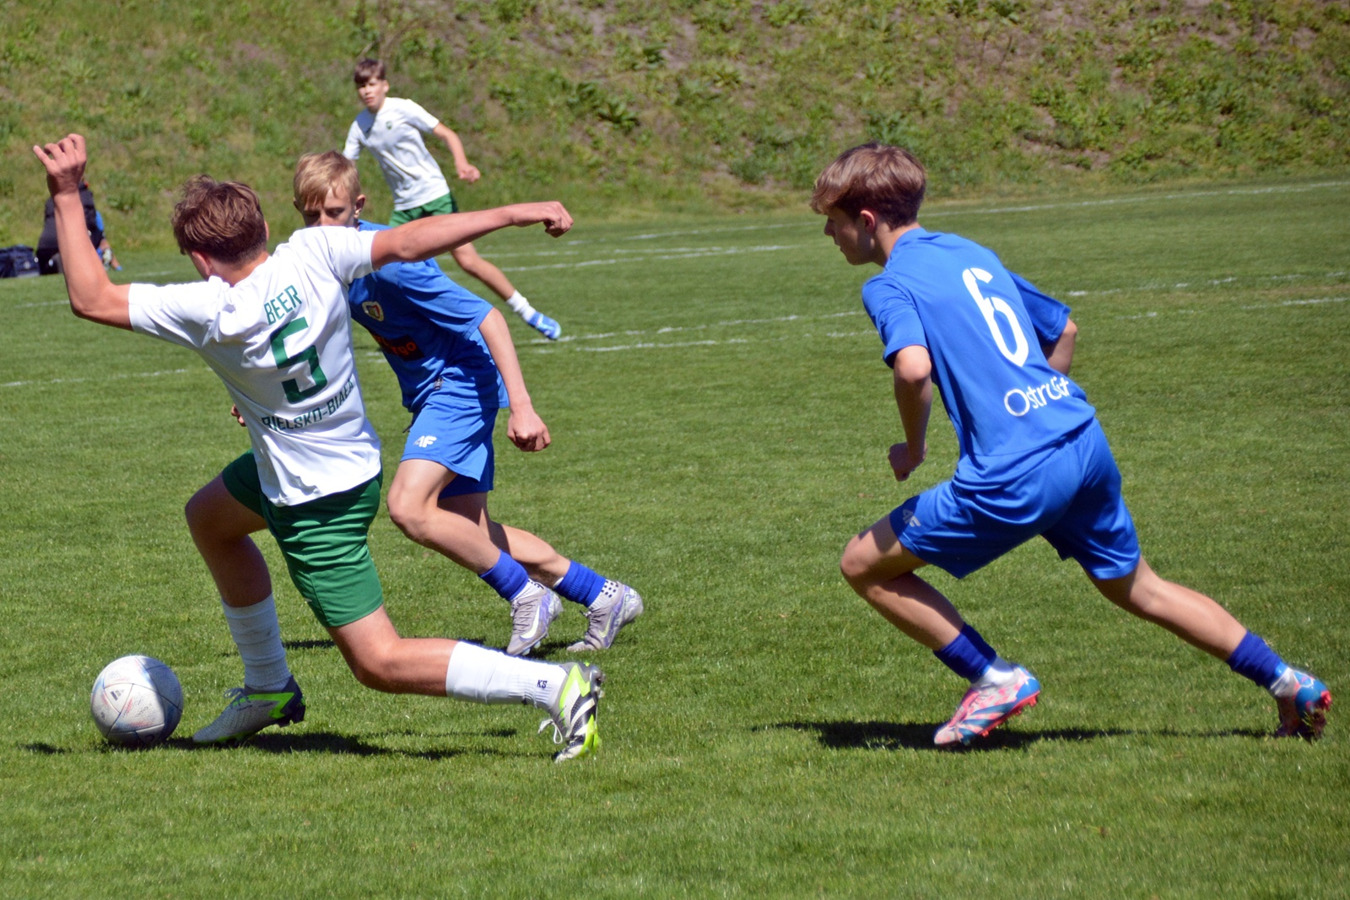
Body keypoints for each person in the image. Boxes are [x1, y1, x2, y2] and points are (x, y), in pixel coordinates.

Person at [32, 133, 603, 761]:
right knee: (211, 519)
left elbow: (90, 297)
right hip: (336, 465)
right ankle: (268, 687)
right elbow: (411, 240)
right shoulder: (314, 250)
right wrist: (514, 211)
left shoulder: (209, 309)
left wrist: (67, 191)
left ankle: (555, 686)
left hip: (314, 501)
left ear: (199, 258)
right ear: (264, 227)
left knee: (379, 662)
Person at [812, 142, 1331, 746]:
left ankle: (994, 679)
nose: (828, 233)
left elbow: (912, 369)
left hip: (1014, 472)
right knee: (1139, 587)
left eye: (833, 220)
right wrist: (1037, 407)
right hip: (1081, 441)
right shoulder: (971, 253)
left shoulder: (889, 285)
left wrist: (913, 448)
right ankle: (1288, 681)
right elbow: (1064, 330)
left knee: (863, 565)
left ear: (867, 220)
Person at [291, 151, 643, 655]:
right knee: (470, 528)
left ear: (359, 207)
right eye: (312, 215)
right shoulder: (320, 261)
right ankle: (604, 596)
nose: (324, 225)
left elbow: (487, 317)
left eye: (335, 212)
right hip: (431, 393)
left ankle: (526, 595)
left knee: (408, 507)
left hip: (460, 382)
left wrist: (522, 406)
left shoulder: (394, 268)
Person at [343, 58, 562, 342]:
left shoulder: (403, 108)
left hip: (434, 196)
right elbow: (346, 167)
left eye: (372, 83)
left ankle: (527, 312)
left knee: (468, 261)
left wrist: (462, 163)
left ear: (385, 85)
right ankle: (412, 330)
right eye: (361, 86)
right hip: (404, 207)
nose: (366, 90)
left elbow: (447, 133)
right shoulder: (360, 125)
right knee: (386, 266)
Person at [37, 179, 120, 275]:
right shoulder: (84, 195)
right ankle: (115, 266)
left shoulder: (51, 199)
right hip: (68, 242)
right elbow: (90, 222)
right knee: (100, 237)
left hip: (45, 245)